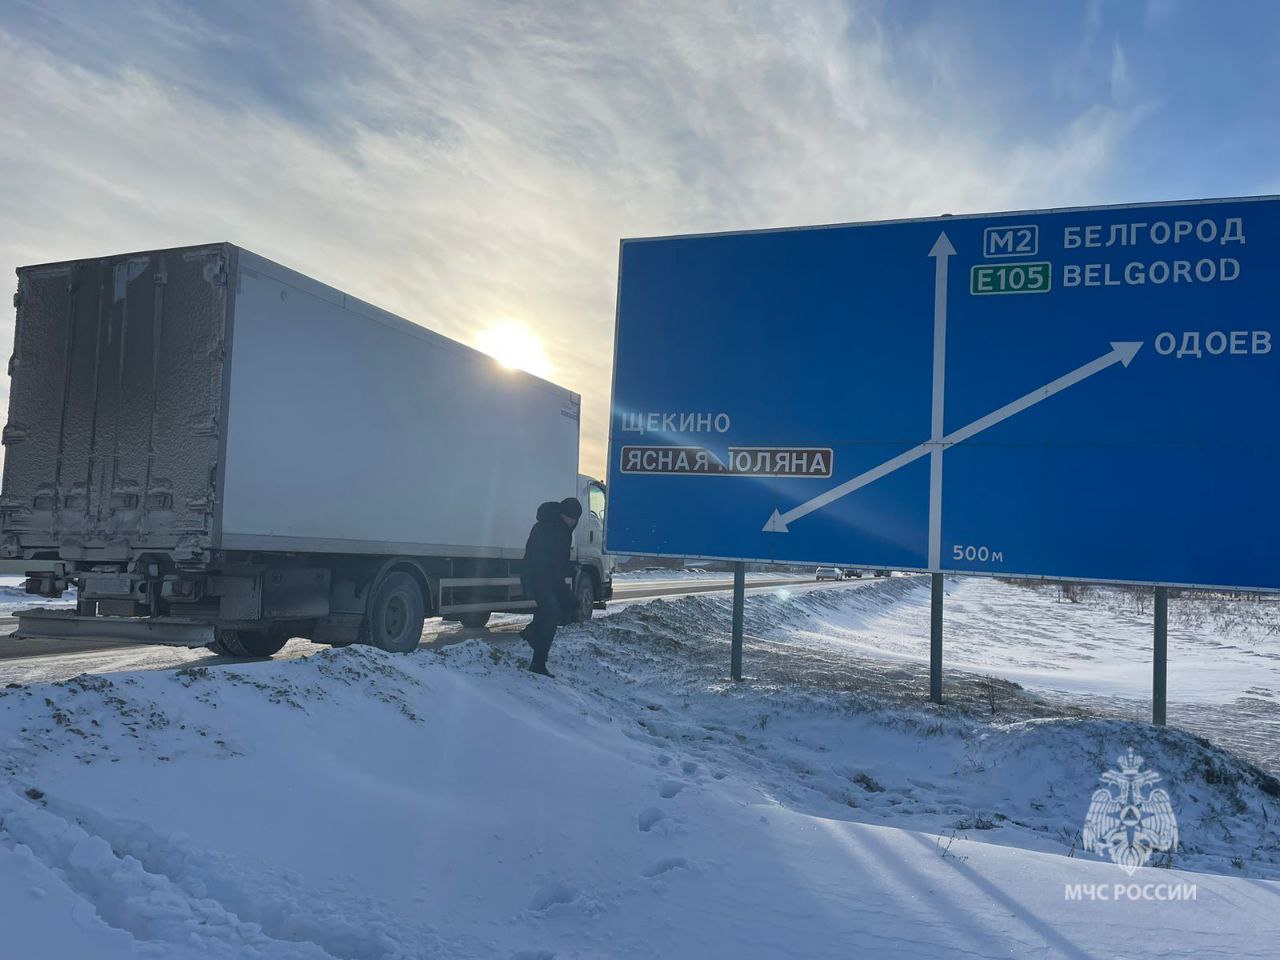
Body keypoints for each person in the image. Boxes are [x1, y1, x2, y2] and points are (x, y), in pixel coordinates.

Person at [519, 496, 582, 676]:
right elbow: (540, 559)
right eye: (570, 517)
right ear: (562, 514)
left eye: (575, 519)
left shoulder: (563, 530)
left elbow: (558, 562)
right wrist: (557, 583)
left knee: (561, 608)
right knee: (552, 613)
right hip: (538, 577)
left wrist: (570, 568)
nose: (572, 521)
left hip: (550, 577)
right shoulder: (547, 528)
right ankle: (538, 663)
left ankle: (531, 633)